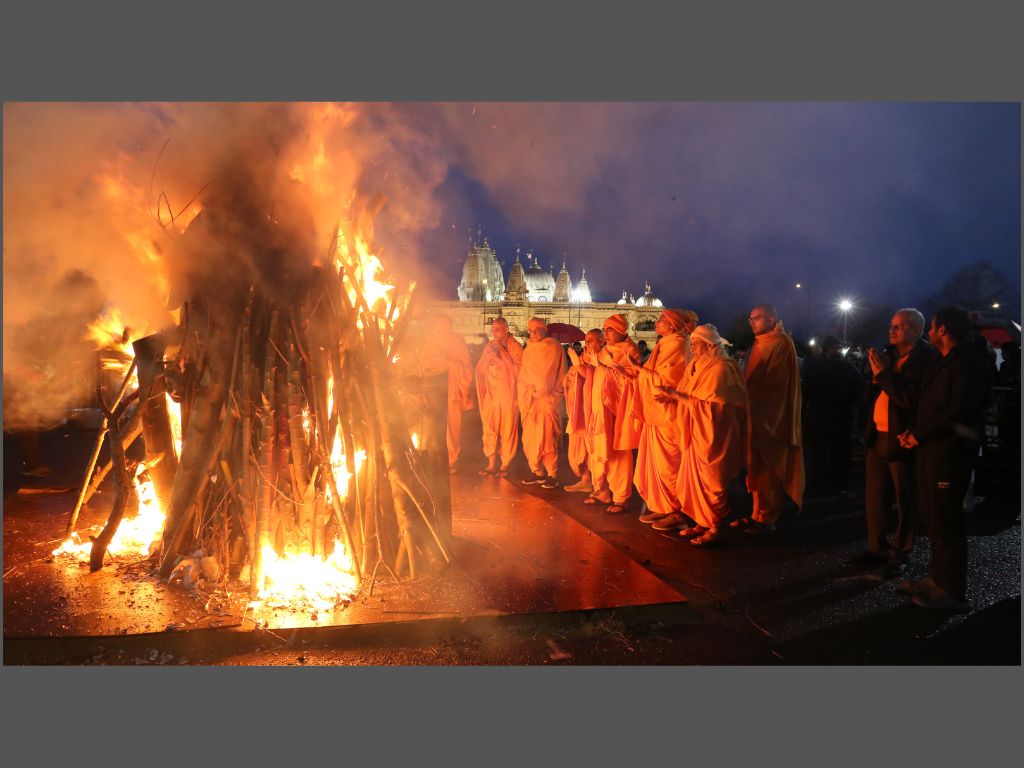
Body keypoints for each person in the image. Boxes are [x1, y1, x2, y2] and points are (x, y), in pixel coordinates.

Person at [897, 306, 993, 612]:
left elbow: (957, 412)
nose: (928, 332)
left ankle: (952, 591)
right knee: (932, 516)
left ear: (942, 330)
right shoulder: (944, 362)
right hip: (931, 449)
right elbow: (928, 404)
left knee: (946, 519)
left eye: (932, 326)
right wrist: (913, 431)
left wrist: (920, 435)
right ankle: (937, 580)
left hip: (949, 453)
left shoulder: (970, 363)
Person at [656, 324, 749, 547]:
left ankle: (716, 527)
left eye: (696, 345)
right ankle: (702, 521)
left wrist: (676, 396)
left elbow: (715, 407)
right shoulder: (695, 367)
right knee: (693, 479)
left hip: (714, 435)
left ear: (709, 345)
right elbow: (690, 397)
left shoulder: (722, 368)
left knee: (712, 481)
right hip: (694, 432)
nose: (693, 349)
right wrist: (673, 398)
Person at [861, 309, 937, 575]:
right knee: (875, 497)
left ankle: (900, 553)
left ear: (916, 330)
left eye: (899, 327)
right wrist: (875, 378)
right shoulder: (889, 355)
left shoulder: (926, 360)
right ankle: (876, 547)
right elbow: (877, 392)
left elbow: (909, 401)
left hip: (901, 439)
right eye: (891, 325)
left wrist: (883, 375)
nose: (891, 330)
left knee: (905, 497)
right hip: (877, 436)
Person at [731, 304, 804, 536]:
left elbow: (776, 383)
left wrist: (745, 393)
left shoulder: (781, 343)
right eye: (750, 319)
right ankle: (757, 515)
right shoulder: (761, 342)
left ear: (771, 319)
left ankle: (767, 519)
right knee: (756, 467)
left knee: (769, 468)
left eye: (757, 318)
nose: (751, 322)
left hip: (771, 416)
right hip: (755, 413)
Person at [626, 309, 696, 528]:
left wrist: (639, 369)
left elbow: (669, 381)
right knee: (656, 462)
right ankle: (664, 506)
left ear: (674, 326)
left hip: (669, 413)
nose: (657, 323)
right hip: (655, 412)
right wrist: (636, 373)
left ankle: (678, 511)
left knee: (670, 464)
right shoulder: (665, 343)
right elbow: (651, 374)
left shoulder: (679, 345)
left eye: (662, 320)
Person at [582, 313, 642, 513]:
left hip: (618, 410)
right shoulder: (604, 351)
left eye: (610, 330)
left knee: (618, 453)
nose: (606, 333)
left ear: (621, 331)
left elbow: (630, 377)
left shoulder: (630, 351)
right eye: (605, 329)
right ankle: (601, 491)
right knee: (598, 449)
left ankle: (621, 497)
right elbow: (590, 362)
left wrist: (603, 361)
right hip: (599, 409)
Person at [802, 335, 865, 497]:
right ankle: (830, 484)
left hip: (827, 417)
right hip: (832, 417)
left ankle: (827, 484)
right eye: (835, 348)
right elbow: (859, 390)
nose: (837, 350)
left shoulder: (816, 367)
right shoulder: (845, 368)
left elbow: (805, 393)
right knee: (827, 453)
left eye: (838, 348)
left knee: (830, 453)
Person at [518, 317, 568, 489]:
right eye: (530, 331)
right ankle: (537, 471)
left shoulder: (553, 347)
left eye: (536, 330)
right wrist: (528, 391)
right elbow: (523, 375)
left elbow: (548, 376)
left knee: (548, 439)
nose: (533, 334)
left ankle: (552, 474)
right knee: (530, 438)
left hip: (548, 401)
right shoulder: (528, 349)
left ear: (544, 330)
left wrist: (541, 390)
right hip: (531, 402)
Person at [475, 317, 523, 477]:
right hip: (492, 395)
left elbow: (521, 372)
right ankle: (491, 463)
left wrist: (501, 362)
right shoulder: (490, 346)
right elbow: (481, 368)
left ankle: (505, 464)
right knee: (490, 428)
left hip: (510, 396)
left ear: (506, 329)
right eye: (493, 329)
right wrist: (490, 358)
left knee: (508, 429)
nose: (493, 332)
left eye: (497, 329)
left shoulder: (516, 348)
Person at [430, 314, 475, 472]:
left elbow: (467, 366)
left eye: (446, 324)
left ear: (450, 325)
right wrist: (444, 363)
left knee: (451, 426)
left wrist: (453, 366)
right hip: (433, 389)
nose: (443, 327)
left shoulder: (457, 341)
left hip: (451, 388)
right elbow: (425, 362)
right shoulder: (431, 341)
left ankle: (451, 458)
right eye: (440, 324)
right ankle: (433, 457)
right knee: (432, 424)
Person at [562, 330, 602, 494]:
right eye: (586, 340)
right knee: (579, 448)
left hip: (591, 411)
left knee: (592, 449)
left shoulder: (601, 357)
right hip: (577, 410)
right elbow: (574, 377)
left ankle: (597, 485)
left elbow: (592, 377)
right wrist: (571, 375)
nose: (587, 344)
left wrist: (577, 364)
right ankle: (585, 480)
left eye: (591, 340)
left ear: (601, 341)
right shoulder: (585, 356)